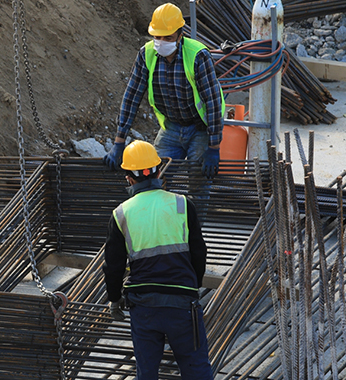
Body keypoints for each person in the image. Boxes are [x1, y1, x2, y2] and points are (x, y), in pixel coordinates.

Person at [103, 140, 212, 380]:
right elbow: (199, 254)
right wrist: (190, 285)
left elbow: (113, 266)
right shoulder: (183, 205)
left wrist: (114, 299)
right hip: (182, 306)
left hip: (144, 308)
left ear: (128, 178)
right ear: (158, 171)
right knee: (196, 369)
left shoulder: (121, 213)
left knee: (147, 373)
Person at [103, 3, 225, 181]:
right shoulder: (147, 55)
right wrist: (119, 142)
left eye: (168, 37)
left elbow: (212, 102)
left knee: (198, 183)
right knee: (155, 178)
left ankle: (194, 209)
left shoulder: (198, 56)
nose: (162, 42)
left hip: (200, 128)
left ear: (180, 35)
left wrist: (214, 147)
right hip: (171, 127)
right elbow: (131, 97)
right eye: (157, 37)